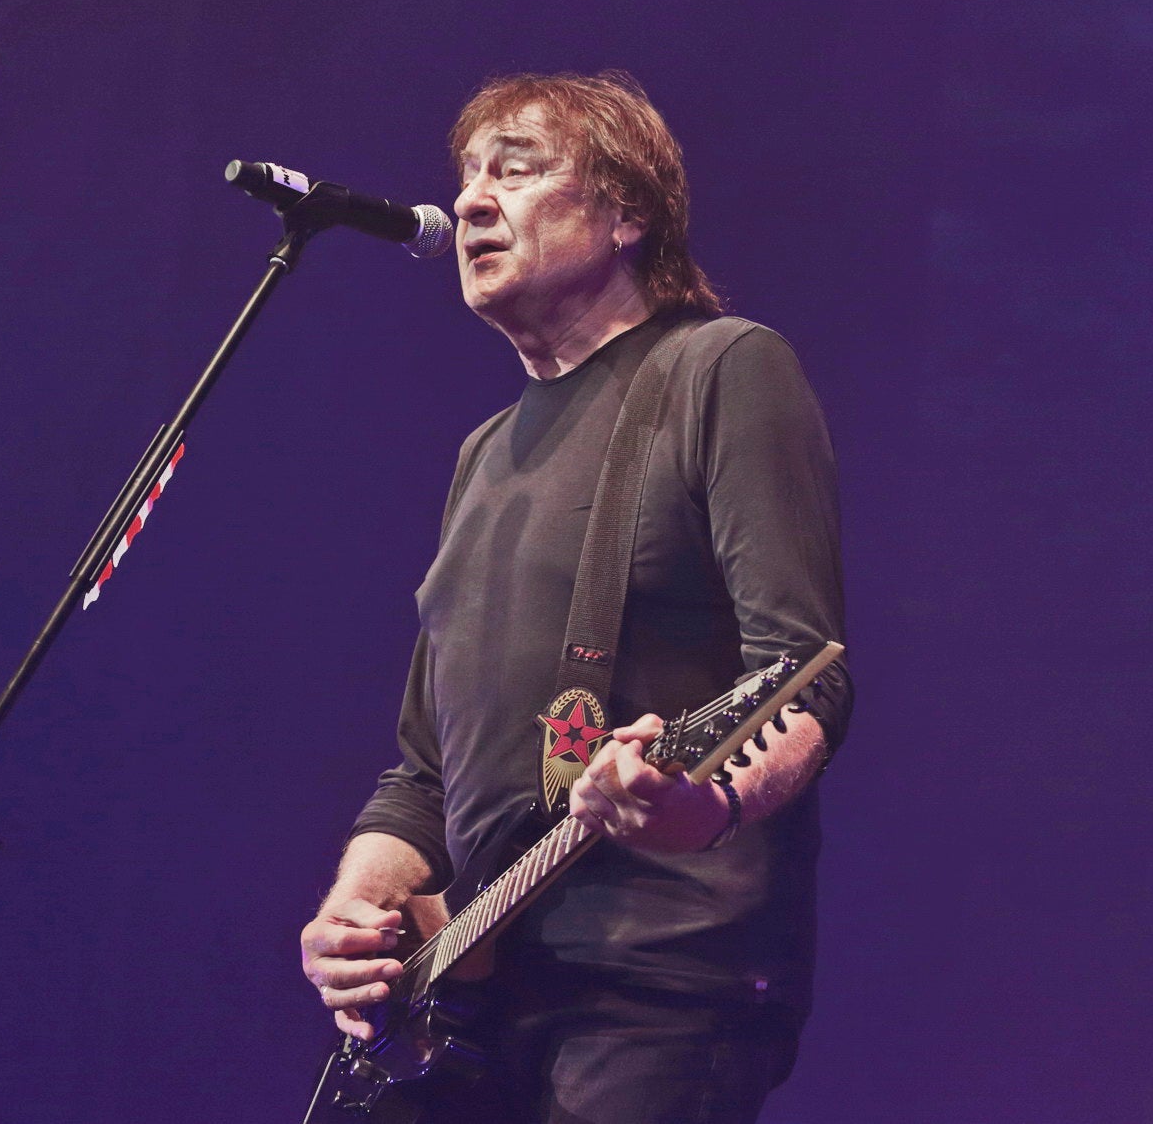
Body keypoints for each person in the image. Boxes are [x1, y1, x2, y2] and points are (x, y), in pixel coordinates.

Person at [298, 70, 852, 1123]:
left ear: (624, 212)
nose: (470, 200)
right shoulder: (480, 456)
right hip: (474, 997)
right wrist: (357, 907)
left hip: (654, 986)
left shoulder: (719, 368)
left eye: (514, 170)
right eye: (467, 175)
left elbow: (804, 675)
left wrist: (704, 806)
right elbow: (423, 772)